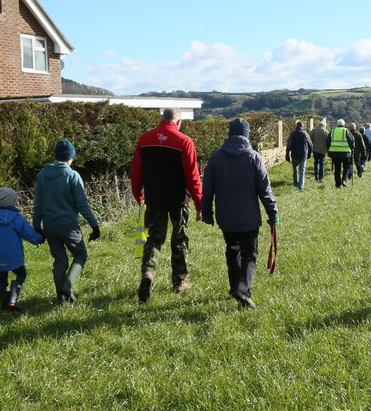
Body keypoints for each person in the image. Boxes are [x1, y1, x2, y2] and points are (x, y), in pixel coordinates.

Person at [201, 118, 279, 309]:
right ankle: (242, 289)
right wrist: (272, 212)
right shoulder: (254, 157)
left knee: (232, 249)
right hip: (248, 216)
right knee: (249, 253)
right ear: (247, 134)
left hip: (225, 216)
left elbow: (208, 187)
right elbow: (264, 189)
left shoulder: (216, 157)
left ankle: (235, 287)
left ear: (229, 133)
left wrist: (207, 212)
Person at [130, 107, 203, 303]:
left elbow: (136, 171)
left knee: (154, 239)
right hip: (178, 200)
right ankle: (179, 282)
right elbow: (192, 176)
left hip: (154, 198)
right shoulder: (184, 141)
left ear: (162, 119)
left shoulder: (145, 139)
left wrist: (138, 194)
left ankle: (148, 274)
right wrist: (199, 202)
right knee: (179, 240)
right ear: (179, 122)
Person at [33, 139, 100, 304]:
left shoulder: (41, 175)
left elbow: (38, 204)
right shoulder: (72, 175)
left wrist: (36, 226)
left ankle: (62, 299)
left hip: (49, 227)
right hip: (69, 226)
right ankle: (67, 287)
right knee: (80, 254)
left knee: (60, 261)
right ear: (70, 157)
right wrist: (94, 225)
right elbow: (82, 204)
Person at [0, 186, 44, 312]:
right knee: (21, 274)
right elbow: (29, 234)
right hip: (14, 257)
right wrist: (40, 238)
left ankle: (3, 304)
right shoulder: (16, 218)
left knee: (1, 280)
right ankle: (12, 299)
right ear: (12, 201)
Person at [285, 120, 313, 190]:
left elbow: (289, 144)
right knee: (302, 171)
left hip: (294, 154)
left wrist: (287, 154)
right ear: (302, 126)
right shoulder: (305, 133)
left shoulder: (292, 133)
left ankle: (295, 183)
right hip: (303, 155)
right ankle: (301, 186)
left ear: (296, 126)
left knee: (295, 170)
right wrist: (309, 154)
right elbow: (310, 145)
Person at [327, 118, 355, 188]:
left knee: (337, 169)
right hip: (345, 153)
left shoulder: (332, 131)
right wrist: (352, 148)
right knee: (346, 167)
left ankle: (337, 184)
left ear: (337, 125)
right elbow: (352, 141)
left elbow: (327, 142)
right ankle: (344, 180)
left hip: (335, 153)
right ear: (344, 125)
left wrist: (329, 150)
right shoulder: (346, 131)